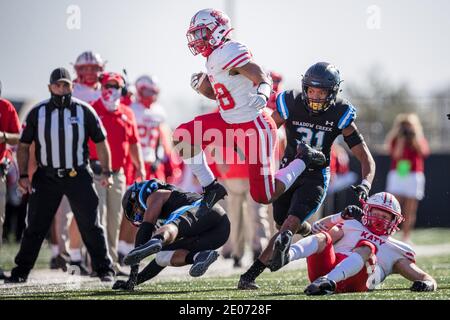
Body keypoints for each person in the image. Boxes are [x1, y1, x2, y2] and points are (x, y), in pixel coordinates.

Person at [174, 8, 326, 217]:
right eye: (196, 34)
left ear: (218, 31)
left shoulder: (229, 50)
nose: (198, 39)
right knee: (184, 135)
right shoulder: (213, 58)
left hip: (254, 125)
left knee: (263, 195)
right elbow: (222, 97)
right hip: (229, 122)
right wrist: (205, 87)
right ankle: (211, 187)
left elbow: (260, 74)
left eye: (202, 33)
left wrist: (263, 91)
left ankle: (303, 159)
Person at [238, 62, 376, 289]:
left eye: (321, 92)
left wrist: (365, 184)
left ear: (332, 93)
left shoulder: (340, 113)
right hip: (289, 172)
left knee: (286, 228)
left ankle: (250, 275)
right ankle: (307, 230)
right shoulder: (290, 102)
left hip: (315, 177)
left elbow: (365, 158)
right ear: (304, 88)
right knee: (283, 221)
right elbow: (267, 131)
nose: (315, 96)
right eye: (311, 90)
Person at [5, 67, 115, 283]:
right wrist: (24, 176)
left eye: (66, 85)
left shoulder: (85, 110)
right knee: (35, 225)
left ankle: (104, 269)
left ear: (72, 86)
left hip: (78, 174)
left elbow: (101, 142)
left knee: (91, 223)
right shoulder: (38, 112)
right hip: (47, 176)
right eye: (58, 85)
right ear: (50, 87)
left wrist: (108, 172)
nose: (62, 89)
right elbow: (24, 145)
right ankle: (21, 272)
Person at [272, 192, 437, 295]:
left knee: (368, 247)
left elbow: (425, 277)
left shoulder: (396, 248)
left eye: (385, 217)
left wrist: (429, 284)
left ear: (394, 221)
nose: (379, 219)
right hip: (324, 270)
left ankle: (328, 281)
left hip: (359, 282)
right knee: (324, 237)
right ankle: (287, 255)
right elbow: (317, 231)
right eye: (376, 213)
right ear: (367, 211)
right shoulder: (351, 225)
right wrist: (340, 216)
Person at [112, 179, 230, 291]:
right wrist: (134, 281)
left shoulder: (158, 194)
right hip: (219, 234)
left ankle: (158, 239)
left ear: (137, 196)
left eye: (136, 210)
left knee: (173, 225)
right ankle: (198, 256)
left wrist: (142, 249)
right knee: (162, 256)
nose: (138, 215)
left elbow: (145, 228)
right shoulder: (162, 216)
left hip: (206, 209)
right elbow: (157, 263)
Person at [88, 71, 145, 275]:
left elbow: (133, 143)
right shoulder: (92, 110)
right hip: (95, 171)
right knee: (98, 217)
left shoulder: (127, 113)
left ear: (120, 89)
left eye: (114, 86)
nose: (109, 90)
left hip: (118, 173)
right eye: (106, 86)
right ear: (101, 87)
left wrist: (140, 166)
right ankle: (96, 263)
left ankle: (111, 262)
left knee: (115, 218)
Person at [385, 113, 429, 243]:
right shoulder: (395, 139)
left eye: (409, 126)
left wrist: (414, 138)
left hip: (414, 174)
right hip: (399, 173)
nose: (407, 129)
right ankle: (388, 234)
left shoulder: (419, 139)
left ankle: (406, 236)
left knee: (410, 208)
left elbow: (423, 153)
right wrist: (401, 139)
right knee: (393, 206)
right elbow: (396, 155)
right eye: (404, 126)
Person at [0, 81, 21, 279]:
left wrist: (4, 136)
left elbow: (18, 136)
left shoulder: (5, 107)